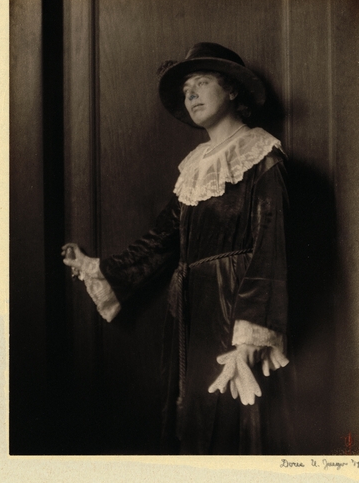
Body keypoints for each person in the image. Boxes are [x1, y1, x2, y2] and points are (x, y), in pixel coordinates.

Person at [62, 42, 290, 455]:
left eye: (202, 84)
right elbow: (160, 241)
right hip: (188, 310)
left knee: (228, 421)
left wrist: (251, 332)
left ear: (233, 90)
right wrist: (97, 267)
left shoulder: (261, 154)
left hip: (233, 306)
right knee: (190, 419)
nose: (191, 95)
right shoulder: (194, 165)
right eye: (187, 90)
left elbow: (270, 246)